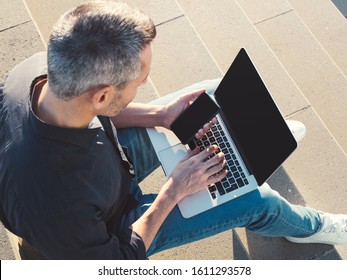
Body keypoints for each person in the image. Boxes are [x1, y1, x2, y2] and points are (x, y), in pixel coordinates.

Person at [0, 0, 346, 260]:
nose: (146, 82)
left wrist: (161, 113)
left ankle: (257, 147)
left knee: (209, 95)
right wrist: (175, 190)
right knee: (260, 200)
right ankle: (309, 227)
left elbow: (98, 112)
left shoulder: (41, 72)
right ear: (103, 94)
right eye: (141, 80)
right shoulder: (59, 208)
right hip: (112, 225)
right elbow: (120, 261)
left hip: (105, 164)